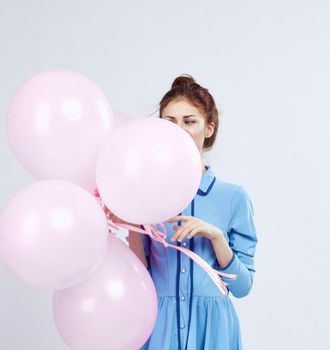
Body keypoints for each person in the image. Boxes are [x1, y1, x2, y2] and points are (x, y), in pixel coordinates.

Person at [104, 74, 258, 350]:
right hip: (157, 326)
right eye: (170, 122)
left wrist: (216, 237)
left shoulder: (233, 197)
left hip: (213, 332)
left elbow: (243, 287)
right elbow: (142, 274)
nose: (179, 130)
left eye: (190, 121)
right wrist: (131, 224)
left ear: (209, 129)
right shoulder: (145, 195)